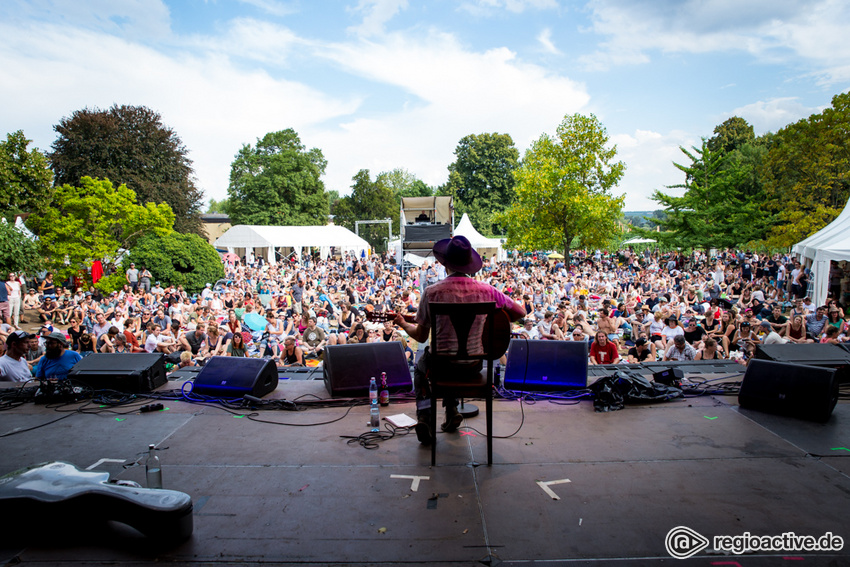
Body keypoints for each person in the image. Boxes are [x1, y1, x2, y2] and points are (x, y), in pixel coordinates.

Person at [394, 236, 524, 445]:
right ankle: (452, 410)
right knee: (449, 357)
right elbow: (520, 311)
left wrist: (402, 323)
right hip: (473, 366)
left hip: (442, 367)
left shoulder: (432, 292)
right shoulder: (487, 291)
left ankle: (425, 418)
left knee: (421, 368)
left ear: (445, 263)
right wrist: (495, 321)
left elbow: (419, 336)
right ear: (468, 264)